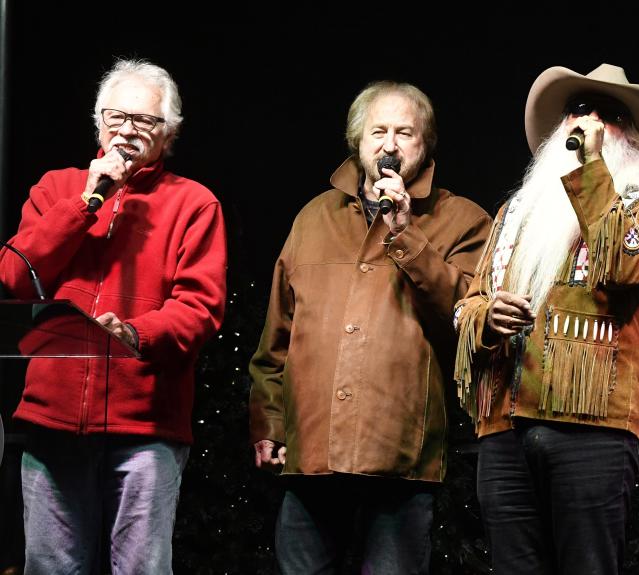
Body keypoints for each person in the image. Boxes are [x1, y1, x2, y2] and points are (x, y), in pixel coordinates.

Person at [248, 80, 491, 574]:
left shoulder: (462, 220)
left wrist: (406, 233)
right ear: (357, 141)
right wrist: (269, 422)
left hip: (401, 454)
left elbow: (470, 317)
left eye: (406, 133)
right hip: (310, 449)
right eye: (378, 131)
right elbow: (277, 336)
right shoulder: (314, 217)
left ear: (426, 147)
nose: (390, 144)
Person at [453, 63, 639, 574]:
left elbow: (624, 267)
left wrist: (592, 168)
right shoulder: (518, 210)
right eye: (580, 109)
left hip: (592, 427)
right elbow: (469, 300)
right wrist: (487, 316)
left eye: (613, 115)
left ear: (633, 136)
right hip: (505, 427)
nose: (593, 123)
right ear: (561, 124)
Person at [0, 59, 227, 573]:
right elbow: (13, 277)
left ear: (167, 133)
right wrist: (84, 204)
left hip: (145, 428)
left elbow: (201, 308)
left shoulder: (194, 204)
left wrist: (134, 332)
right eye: (114, 116)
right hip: (51, 420)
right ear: (98, 122)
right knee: (51, 566)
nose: (125, 129)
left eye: (143, 121)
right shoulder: (58, 189)